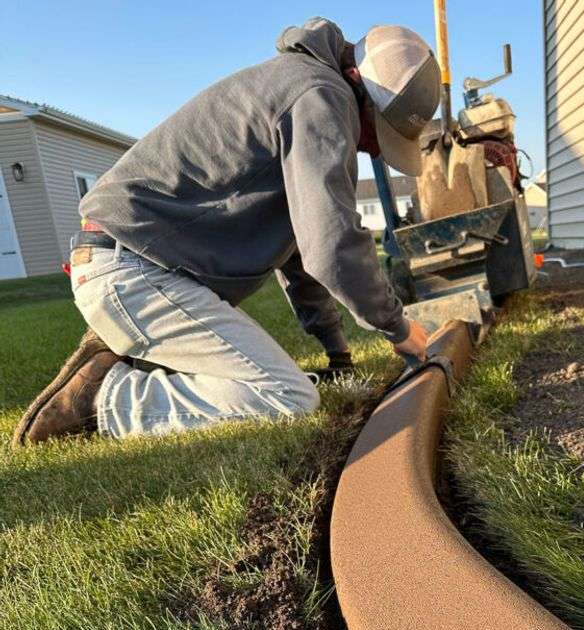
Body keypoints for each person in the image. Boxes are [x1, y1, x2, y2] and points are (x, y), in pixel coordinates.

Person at [13, 18, 439, 446]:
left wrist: (337, 351)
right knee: (288, 396)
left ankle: (129, 355)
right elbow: (333, 243)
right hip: (133, 269)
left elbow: (301, 247)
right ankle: (104, 398)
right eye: (379, 130)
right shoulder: (321, 96)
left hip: (129, 264)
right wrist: (397, 327)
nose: (374, 148)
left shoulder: (301, 86)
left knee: (271, 384)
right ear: (355, 80)